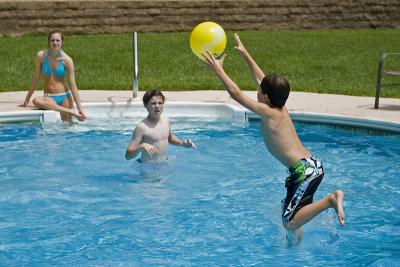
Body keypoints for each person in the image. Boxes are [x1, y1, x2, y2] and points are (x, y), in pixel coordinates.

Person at [203, 33, 345, 242]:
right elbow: (263, 79)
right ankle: (294, 250)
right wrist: (246, 54)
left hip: (304, 171)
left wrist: (219, 70)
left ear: (266, 97)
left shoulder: (268, 112)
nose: (257, 90)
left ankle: (331, 200)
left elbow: (235, 94)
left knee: (289, 221)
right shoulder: (281, 108)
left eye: (260, 91)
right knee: (290, 213)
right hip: (310, 166)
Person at [19, 30, 86, 121]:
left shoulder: (67, 60)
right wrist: (27, 98)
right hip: (49, 97)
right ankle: (70, 111)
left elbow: (73, 86)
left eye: (58, 40)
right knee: (36, 100)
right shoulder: (41, 56)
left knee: (68, 128)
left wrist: (80, 108)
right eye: (52, 40)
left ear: (62, 42)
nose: (55, 43)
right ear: (49, 42)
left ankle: (70, 111)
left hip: (64, 96)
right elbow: (36, 78)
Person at [125, 89, 196, 162]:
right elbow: (128, 156)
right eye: (153, 103)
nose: (157, 106)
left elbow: (169, 137)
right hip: (148, 167)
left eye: (160, 103)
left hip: (165, 163)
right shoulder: (142, 127)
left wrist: (182, 144)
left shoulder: (166, 120)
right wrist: (141, 146)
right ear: (146, 105)